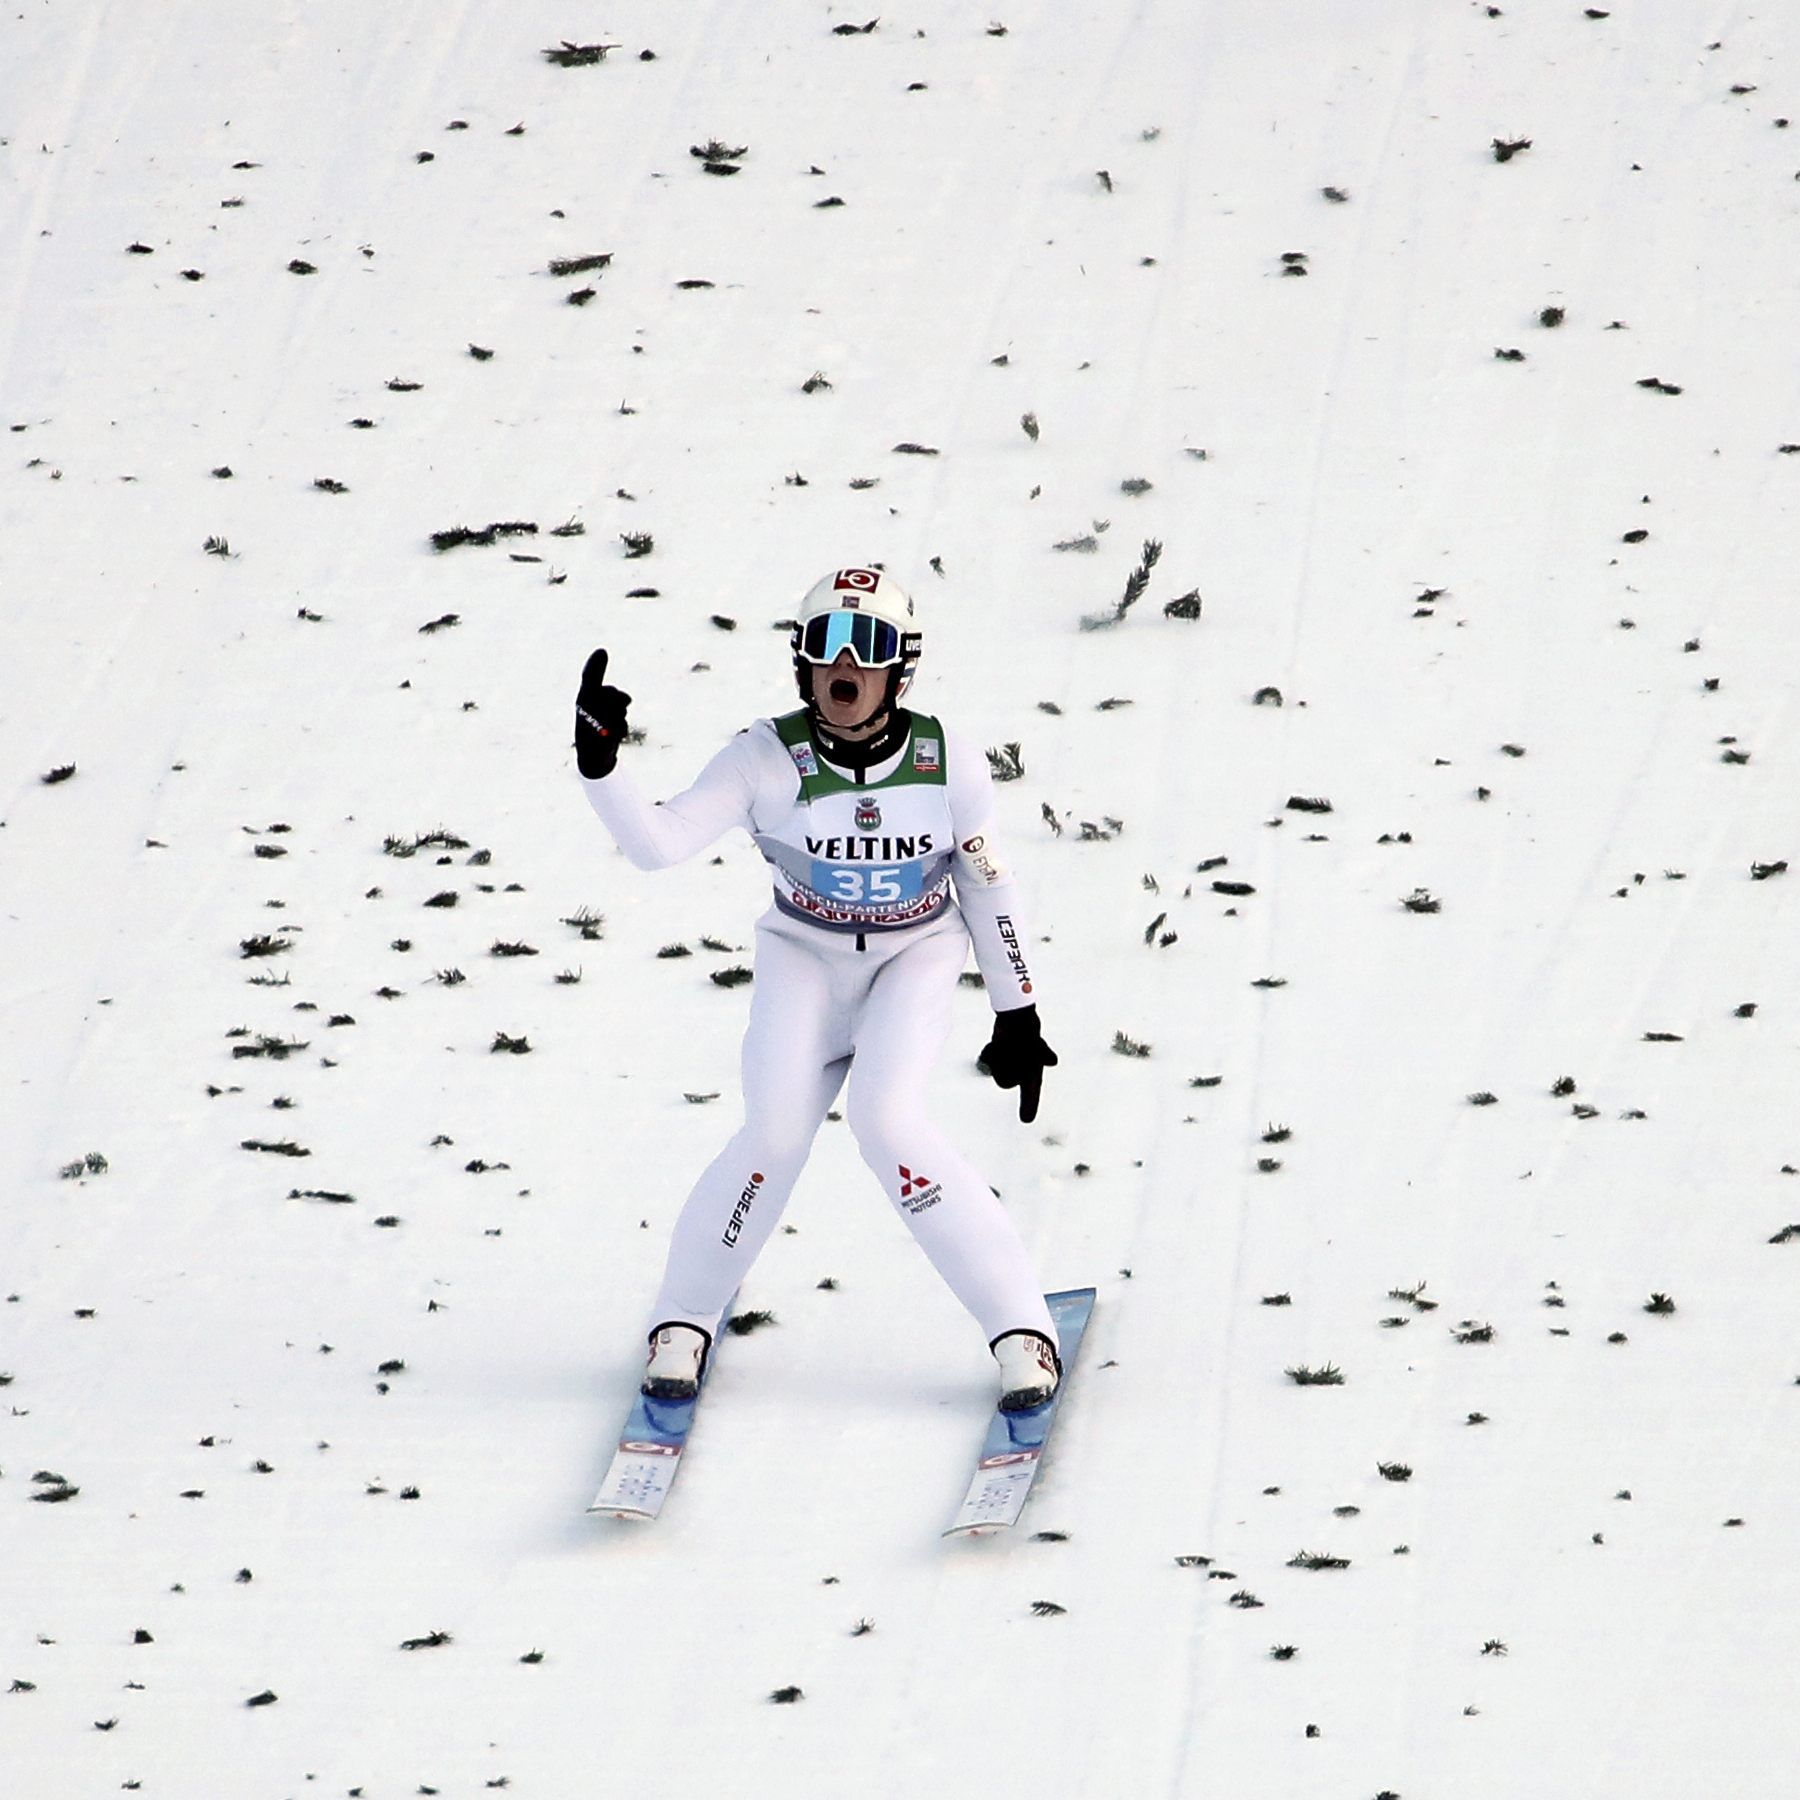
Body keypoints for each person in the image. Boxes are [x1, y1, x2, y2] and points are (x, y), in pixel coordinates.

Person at [575, 566, 1062, 1412]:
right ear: (800, 663)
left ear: (899, 668)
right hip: (803, 958)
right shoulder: (763, 757)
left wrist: (1017, 1009)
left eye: (867, 648)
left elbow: (987, 885)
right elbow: (659, 845)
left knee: (888, 1122)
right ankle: (685, 1318)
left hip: (912, 959)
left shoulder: (950, 764)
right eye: (825, 645)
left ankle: (1022, 1329)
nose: (844, 667)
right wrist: (602, 768)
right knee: (771, 1137)